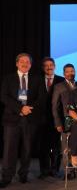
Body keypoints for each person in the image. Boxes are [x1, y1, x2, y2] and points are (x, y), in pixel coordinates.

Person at [0, 53, 44, 188]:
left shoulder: (37, 79)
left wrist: (28, 109)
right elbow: (4, 97)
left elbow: (41, 98)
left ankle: (23, 174)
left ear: (30, 65)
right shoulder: (8, 79)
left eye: (27, 62)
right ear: (17, 63)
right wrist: (20, 108)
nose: (25, 64)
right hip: (12, 118)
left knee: (27, 149)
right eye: (22, 61)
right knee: (9, 150)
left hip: (30, 119)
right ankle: (7, 177)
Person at [51, 64, 77, 178]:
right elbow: (54, 106)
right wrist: (57, 123)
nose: (70, 73)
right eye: (67, 71)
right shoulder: (59, 86)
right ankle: (67, 172)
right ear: (64, 74)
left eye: (72, 71)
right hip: (65, 122)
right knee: (65, 147)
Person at [37, 57, 64, 179]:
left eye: (51, 65)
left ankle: (55, 170)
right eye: (46, 65)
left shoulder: (61, 80)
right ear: (43, 68)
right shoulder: (36, 80)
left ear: (54, 66)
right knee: (42, 147)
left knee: (57, 147)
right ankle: (44, 171)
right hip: (40, 120)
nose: (49, 67)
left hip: (57, 120)